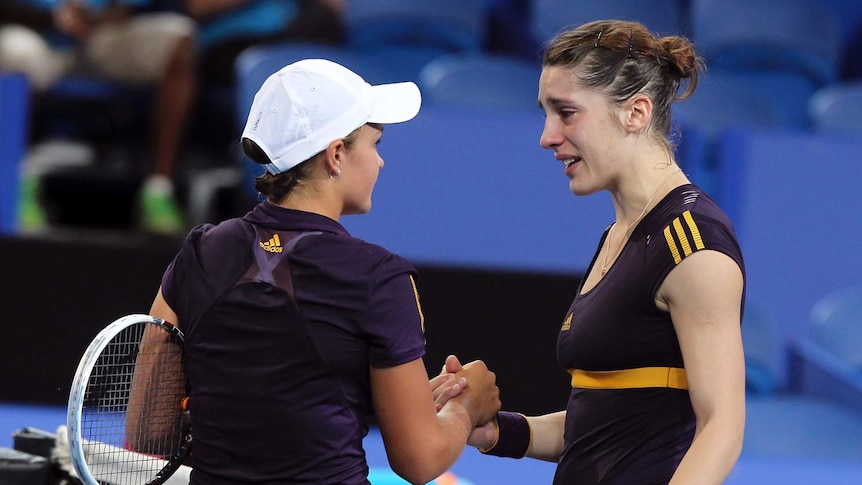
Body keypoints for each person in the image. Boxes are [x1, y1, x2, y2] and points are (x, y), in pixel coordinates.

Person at [128, 58, 501, 484]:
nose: (381, 163)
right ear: (336, 154)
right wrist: (464, 408)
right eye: (375, 144)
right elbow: (419, 460)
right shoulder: (380, 277)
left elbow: (148, 431)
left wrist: (244, 413)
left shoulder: (199, 252)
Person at [439, 19, 747, 484]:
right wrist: (494, 433)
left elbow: (721, 428)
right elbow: (601, 426)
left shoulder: (693, 243)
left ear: (636, 113)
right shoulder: (618, 234)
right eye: (545, 113)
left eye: (566, 113)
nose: (547, 136)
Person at [0, 0, 197, 234]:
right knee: (16, 53)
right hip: (34, 31)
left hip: (102, 34)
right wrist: (52, 17)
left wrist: (110, 15)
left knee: (179, 35)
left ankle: (159, 189)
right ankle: (14, 186)